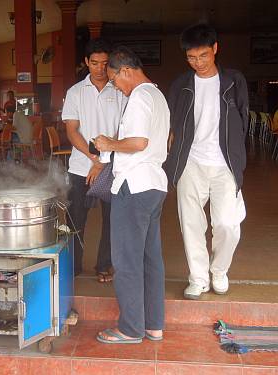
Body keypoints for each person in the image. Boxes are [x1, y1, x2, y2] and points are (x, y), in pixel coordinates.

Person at [164, 23, 249, 300]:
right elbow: (173, 125)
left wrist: (236, 155)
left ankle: (219, 270)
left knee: (227, 224)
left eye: (203, 55)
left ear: (215, 49)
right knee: (191, 222)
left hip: (224, 163)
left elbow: (242, 121)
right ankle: (198, 278)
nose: (197, 63)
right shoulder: (181, 85)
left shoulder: (234, 81)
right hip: (191, 162)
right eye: (191, 57)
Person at [94, 46, 170, 343]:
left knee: (126, 259)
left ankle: (130, 328)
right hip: (153, 186)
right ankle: (153, 324)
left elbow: (137, 142)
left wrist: (107, 143)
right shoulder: (157, 95)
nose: (116, 87)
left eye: (114, 80)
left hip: (134, 185)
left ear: (125, 70)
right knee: (151, 258)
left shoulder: (139, 96)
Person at [62, 38, 126, 282]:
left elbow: (124, 127)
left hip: (113, 167)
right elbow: (72, 131)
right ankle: (74, 267)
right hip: (81, 167)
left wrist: (103, 160)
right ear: (86, 62)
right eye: (95, 63)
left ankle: (103, 265)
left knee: (112, 220)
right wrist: (94, 157)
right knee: (75, 220)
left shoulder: (119, 89)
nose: (100, 68)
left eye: (105, 63)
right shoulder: (75, 92)